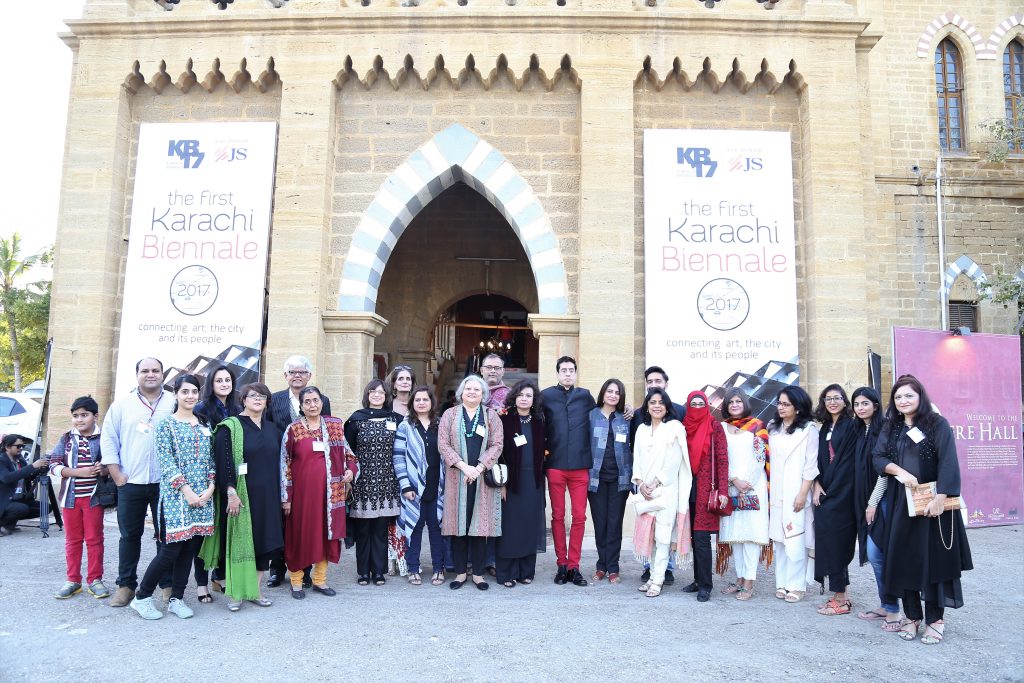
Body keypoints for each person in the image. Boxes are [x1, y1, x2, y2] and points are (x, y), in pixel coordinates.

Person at [872, 375, 972, 645]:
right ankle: (912, 616)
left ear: (920, 397)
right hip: (901, 503)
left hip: (934, 503)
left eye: (909, 395)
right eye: (898, 397)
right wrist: (899, 471)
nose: (903, 401)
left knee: (934, 562)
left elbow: (949, 461)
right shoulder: (891, 426)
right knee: (904, 559)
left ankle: (935, 620)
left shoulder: (936, 423)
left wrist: (941, 497)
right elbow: (878, 457)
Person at [130, 374, 215, 620]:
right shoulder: (166, 425)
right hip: (178, 497)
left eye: (194, 392)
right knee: (170, 550)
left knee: (190, 550)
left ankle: (177, 598)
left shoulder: (204, 423)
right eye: (185, 391)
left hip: (203, 497)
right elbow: (166, 461)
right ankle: (141, 597)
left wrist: (211, 487)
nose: (190, 396)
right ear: (176, 394)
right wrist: (186, 491)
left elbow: (212, 458)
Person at [199, 383, 283, 612]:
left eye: (262, 396)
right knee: (238, 543)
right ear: (243, 399)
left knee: (263, 543)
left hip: (269, 496)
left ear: (267, 402)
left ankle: (254, 590)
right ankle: (236, 593)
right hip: (240, 496)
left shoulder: (273, 429)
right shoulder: (230, 427)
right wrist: (231, 492)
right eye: (252, 395)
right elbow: (223, 462)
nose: (257, 399)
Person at [100, 357, 174, 607]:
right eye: (145, 371)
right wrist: (116, 473)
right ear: (137, 375)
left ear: (162, 374)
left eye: (156, 370)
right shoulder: (122, 405)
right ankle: (126, 585)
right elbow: (108, 439)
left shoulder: (173, 402)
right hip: (130, 481)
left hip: (166, 483)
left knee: (166, 536)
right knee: (130, 536)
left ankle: (167, 584)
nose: (151, 374)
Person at [281, 386, 358, 599]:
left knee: (326, 537)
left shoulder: (335, 426)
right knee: (299, 536)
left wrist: (350, 472)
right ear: (301, 405)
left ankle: (319, 580)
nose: (312, 405)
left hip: (331, 496)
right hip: (302, 497)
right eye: (307, 402)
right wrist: (286, 497)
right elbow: (284, 464)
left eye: (315, 400)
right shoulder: (293, 429)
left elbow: (350, 456)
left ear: (322, 402)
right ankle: (296, 582)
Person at [267, 356, 331, 587]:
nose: (297, 375)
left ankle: (305, 572)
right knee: (283, 520)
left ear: (309, 375)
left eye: (302, 372)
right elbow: (267, 429)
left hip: (309, 470)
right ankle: (277, 570)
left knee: (306, 523)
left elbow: (326, 431)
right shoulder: (274, 400)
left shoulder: (322, 400)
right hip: (280, 466)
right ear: (285, 376)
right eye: (292, 372)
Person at [439, 374, 503, 591]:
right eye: (468, 389)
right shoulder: (450, 414)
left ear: (483, 394)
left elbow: (497, 444)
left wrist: (478, 468)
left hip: (482, 478)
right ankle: (459, 573)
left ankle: (478, 574)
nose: (472, 392)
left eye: (477, 389)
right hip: (457, 477)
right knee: (459, 527)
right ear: (461, 393)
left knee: (479, 527)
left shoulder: (491, 416)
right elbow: (443, 444)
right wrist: (465, 468)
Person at [631, 388, 691, 598]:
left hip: (666, 490)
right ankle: (652, 577)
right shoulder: (641, 429)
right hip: (645, 491)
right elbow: (637, 458)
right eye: (652, 402)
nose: (657, 406)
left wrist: (656, 482)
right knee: (650, 537)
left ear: (667, 407)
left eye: (661, 402)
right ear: (647, 406)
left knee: (663, 537)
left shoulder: (675, 428)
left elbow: (675, 460)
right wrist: (640, 483)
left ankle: (658, 580)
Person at [540, 356, 594, 587]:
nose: (568, 374)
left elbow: (601, 416)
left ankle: (574, 566)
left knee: (579, 517)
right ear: (557, 373)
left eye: (571, 370)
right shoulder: (546, 396)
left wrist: (627, 410)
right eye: (564, 370)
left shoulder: (585, 396)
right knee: (558, 516)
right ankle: (561, 564)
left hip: (581, 465)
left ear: (576, 373)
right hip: (555, 464)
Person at [48, 397, 109, 599]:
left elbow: (114, 462)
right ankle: (73, 580)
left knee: (94, 539)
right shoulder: (66, 439)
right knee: (72, 540)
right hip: (70, 499)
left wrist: (104, 469)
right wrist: (77, 472)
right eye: (75, 416)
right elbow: (53, 464)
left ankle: (95, 580)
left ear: (95, 416)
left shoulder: (104, 438)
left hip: (93, 498)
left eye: (84, 415)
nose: (79, 420)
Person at [849, 386, 899, 629]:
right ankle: (886, 605)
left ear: (876, 405)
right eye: (857, 404)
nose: (860, 408)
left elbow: (884, 470)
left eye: (865, 403)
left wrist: (873, 502)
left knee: (879, 553)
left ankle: (894, 610)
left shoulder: (884, 429)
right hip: (866, 500)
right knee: (876, 554)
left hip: (884, 500)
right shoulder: (860, 430)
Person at [344, 379, 403, 585]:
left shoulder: (397, 419)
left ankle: (379, 571)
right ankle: (363, 572)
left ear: (387, 396)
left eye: (381, 392)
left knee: (380, 529)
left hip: (387, 482)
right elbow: (347, 451)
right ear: (367, 395)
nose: (377, 395)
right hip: (363, 483)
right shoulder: (355, 420)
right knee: (363, 529)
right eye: (373, 392)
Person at [192, 364, 241, 603]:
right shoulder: (201, 409)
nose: (224, 384)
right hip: (206, 478)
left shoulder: (237, 408)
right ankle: (201, 584)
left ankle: (219, 577)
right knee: (204, 533)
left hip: (230, 477)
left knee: (225, 530)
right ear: (211, 384)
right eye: (219, 380)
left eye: (227, 380)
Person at [767, 386, 819, 603]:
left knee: (795, 538)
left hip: (797, 490)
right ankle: (782, 582)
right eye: (779, 403)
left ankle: (797, 585)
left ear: (798, 407)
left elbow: (811, 464)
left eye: (786, 404)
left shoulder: (809, 430)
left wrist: (803, 493)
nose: (781, 407)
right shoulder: (773, 428)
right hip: (776, 491)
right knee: (779, 539)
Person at [717, 388, 769, 601]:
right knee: (735, 536)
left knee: (750, 536)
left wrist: (745, 483)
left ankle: (749, 581)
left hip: (753, 487)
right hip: (730, 486)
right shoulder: (721, 427)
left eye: (738, 401)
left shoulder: (756, 426)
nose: (735, 405)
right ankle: (739, 578)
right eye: (731, 402)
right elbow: (719, 457)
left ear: (745, 403)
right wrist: (733, 480)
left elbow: (760, 457)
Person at [812, 384, 860, 616]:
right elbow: (820, 461)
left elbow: (848, 463)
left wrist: (832, 489)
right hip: (826, 492)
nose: (832, 402)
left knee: (838, 544)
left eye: (837, 398)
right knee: (829, 543)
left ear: (844, 401)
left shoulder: (851, 426)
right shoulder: (824, 428)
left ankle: (842, 599)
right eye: (828, 398)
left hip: (844, 493)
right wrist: (817, 484)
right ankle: (840, 595)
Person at [496, 380, 547, 588]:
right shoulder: (504, 419)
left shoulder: (540, 421)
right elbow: (497, 453)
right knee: (510, 528)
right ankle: (507, 573)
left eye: (528, 395)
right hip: (511, 481)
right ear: (514, 397)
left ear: (534, 400)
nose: (524, 399)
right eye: (521, 395)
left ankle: (526, 571)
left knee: (528, 526)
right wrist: (502, 484)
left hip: (533, 481)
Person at [393, 385, 445, 586]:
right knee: (414, 527)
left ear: (432, 402)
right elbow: (398, 457)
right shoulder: (405, 426)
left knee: (436, 528)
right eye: (418, 400)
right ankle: (413, 567)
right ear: (412, 403)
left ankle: (438, 568)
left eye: (425, 399)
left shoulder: (440, 424)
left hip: (436, 484)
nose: (421, 403)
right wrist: (405, 486)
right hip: (413, 487)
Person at [680, 390, 729, 602]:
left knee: (701, 538)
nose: (698, 407)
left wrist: (723, 490)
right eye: (694, 404)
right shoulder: (683, 427)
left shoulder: (714, 426)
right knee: (692, 537)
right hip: (685, 487)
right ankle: (698, 580)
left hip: (706, 489)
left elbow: (723, 459)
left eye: (702, 404)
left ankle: (706, 585)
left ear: (707, 405)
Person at [587, 378, 631, 583]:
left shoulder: (627, 418)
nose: (613, 395)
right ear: (603, 393)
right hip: (595, 478)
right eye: (610, 391)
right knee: (600, 523)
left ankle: (613, 567)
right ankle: (601, 566)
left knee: (614, 524)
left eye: (617, 393)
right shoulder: (591, 415)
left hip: (619, 480)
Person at [0, 434, 47, 535]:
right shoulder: (1, 460)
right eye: (18, 446)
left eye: (23, 446)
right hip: (4, 500)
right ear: (7, 447)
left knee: (45, 508)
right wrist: (32, 466)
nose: (21, 449)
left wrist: (41, 469)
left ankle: (10, 522)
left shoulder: (20, 460)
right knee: (21, 508)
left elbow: (28, 475)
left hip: (18, 498)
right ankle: (4, 525)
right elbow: (6, 478)